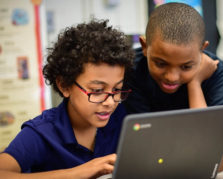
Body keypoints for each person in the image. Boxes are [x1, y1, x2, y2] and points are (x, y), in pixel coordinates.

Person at [0, 19, 134, 178]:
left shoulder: (121, 121)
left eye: (117, 89)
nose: (111, 102)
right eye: (97, 90)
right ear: (64, 85)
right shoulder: (42, 132)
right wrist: (79, 173)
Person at [123, 2, 223, 171]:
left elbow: (209, 145)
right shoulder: (132, 71)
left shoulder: (217, 74)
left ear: (202, 49)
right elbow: (145, 145)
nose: (171, 77)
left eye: (186, 67)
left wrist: (195, 83)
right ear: (145, 46)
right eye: (160, 63)